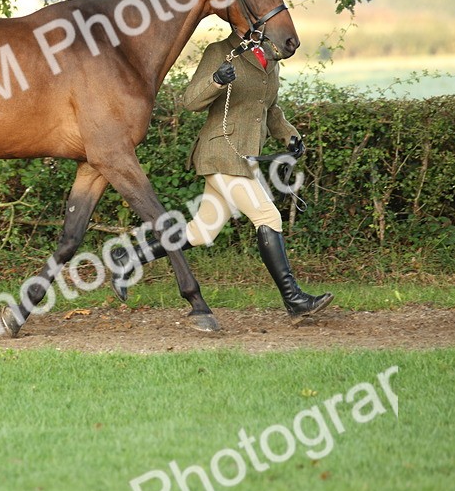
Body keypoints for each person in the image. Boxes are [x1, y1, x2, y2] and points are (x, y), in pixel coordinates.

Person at [112, 33, 333, 322]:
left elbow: (270, 109)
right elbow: (191, 101)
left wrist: (291, 136)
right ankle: (294, 300)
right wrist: (216, 80)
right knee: (268, 216)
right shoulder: (221, 51)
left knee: (202, 231)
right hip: (220, 153)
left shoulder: (270, 57)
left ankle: (128, 257)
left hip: (244, 159)